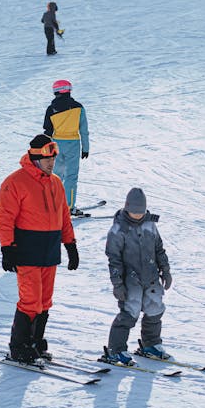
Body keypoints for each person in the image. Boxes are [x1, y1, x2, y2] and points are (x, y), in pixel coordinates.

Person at [0, 134, 79, 363]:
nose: (52, 163)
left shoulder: (56, 183)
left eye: (53, 158)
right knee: (30, 300)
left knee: (45, 301)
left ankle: (36, 343)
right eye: (47, 159)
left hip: (50, 250)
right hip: (27, 250)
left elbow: (64, 216)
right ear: (35, 158)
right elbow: (5, 218)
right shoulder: (15, 182)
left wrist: (70, 244)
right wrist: (7, 248)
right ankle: (19, 347)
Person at [103, 188, 172, 366]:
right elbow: (114, 260)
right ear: (127, 208)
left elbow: (159, 249)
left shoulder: (150, 224)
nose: (137, 215)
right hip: (130, 280)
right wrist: (117, 284)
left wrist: (165, 269)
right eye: (134, 212)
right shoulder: (119, 229)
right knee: (129, 313)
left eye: (140, 212)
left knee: (155, 310)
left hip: (151, 277)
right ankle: (116, 350)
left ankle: (151, 344)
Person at [43, 79, 89, 216]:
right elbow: (84, 130)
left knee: (56, 176)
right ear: (69, 90)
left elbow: (47, 131)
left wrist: (47, 151)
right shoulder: (78, 107)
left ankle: (54, 204)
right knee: (71, 176)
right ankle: (69, 206)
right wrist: (85, 148)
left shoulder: (51, 109)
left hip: (57, 144)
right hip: (73, 143)